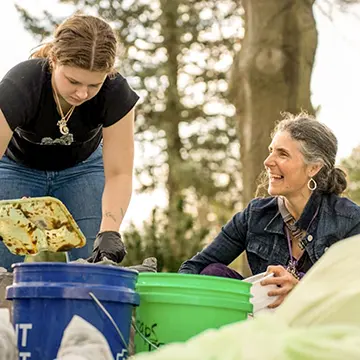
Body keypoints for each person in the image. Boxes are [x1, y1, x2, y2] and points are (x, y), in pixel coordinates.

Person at [0, 14, 139, 270]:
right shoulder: (20, 85)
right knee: (2, 264)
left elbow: (119, 173)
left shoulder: (116, 93)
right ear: (54, 60)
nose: (82, 93)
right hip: (16, 166)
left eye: (93, 85)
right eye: (73, 81)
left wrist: (110, 231)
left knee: (93, 266)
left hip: (83, 169)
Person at [179, 112, 360, 308]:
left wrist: (301, 290)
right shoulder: (255, 215)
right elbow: (193, 268)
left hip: (320, 326)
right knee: (212, 274)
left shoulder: (350, 220)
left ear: (313, 167)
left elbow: (352, 296)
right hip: (261, 323)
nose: (267, 161)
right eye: (271, 151)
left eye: (282, 154)